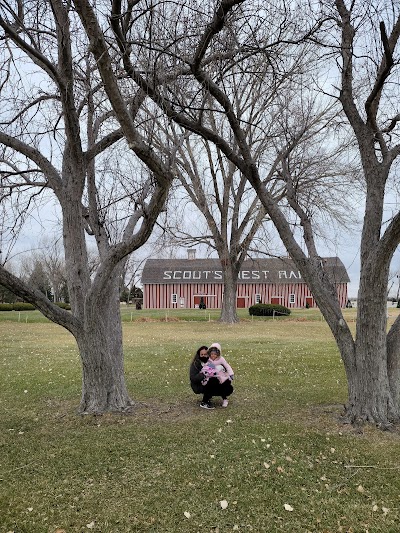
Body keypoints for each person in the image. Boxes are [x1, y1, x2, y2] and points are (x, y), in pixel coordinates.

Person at [189, 343, 234, 409]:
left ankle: (223, 398)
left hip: (217, 378)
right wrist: (205, 373)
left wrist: (230, 374)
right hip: (200, 383)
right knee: (212, 382)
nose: (204, 356)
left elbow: (227, 366)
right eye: (202, 354)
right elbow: (194, 378)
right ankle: (205, 401)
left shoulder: (219, 360)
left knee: (226, 385)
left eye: (205, 354)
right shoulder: (197, 363)